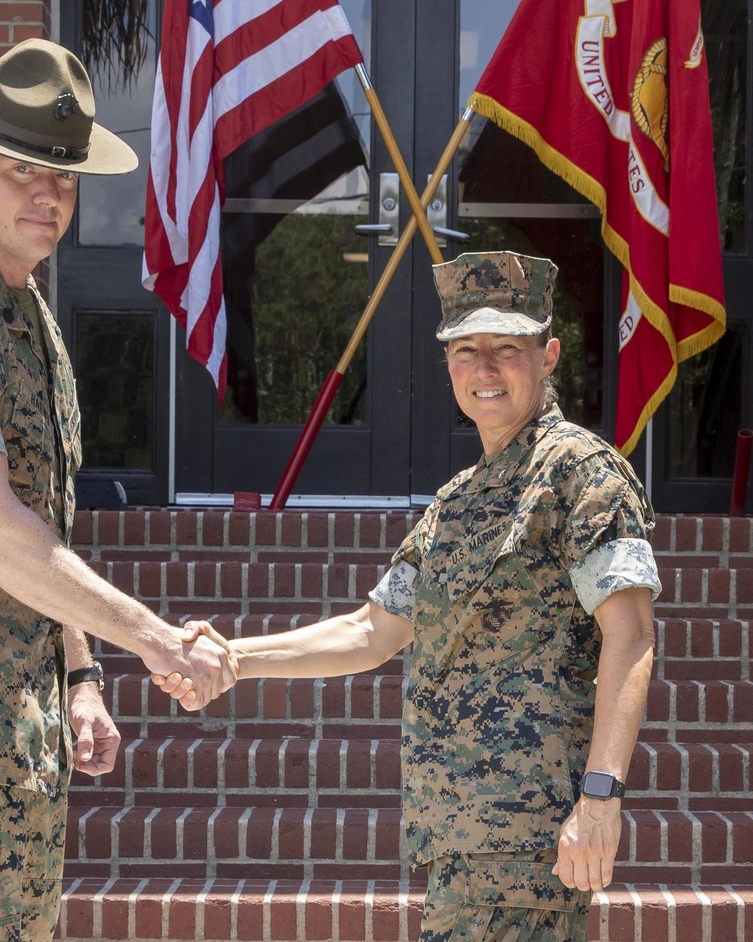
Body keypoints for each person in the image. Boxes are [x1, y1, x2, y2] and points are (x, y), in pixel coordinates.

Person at [160, 251, 661, 941]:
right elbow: (374, 632)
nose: (483, 369)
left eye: (506, 349)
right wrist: (235, 658)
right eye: (465, 350)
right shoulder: (456, 503)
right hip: (463, 838)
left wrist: (601, 796)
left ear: (548, 356)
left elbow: (630, 635)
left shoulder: (579, 474)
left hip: (529, 839)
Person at [0, 39, 236, 942]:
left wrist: (79, 673)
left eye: (61, 177)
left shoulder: (28, 323)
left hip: (20, 743)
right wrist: (154, 639)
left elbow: (41, 527)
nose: (46, 194)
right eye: (20, 169)